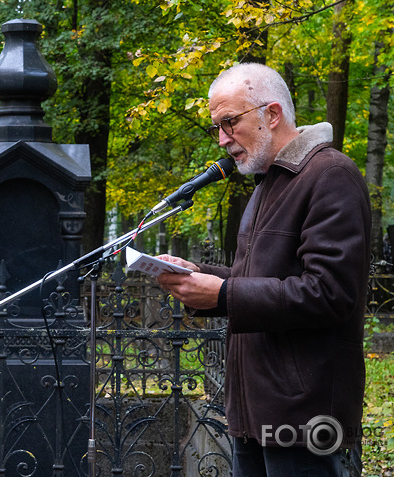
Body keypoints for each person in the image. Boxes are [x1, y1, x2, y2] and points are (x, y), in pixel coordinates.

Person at [156, 63, 370, 476]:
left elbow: (329, 293)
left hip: (303, 414)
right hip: (254, 409)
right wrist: (196, 273)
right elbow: (258, 279)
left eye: (229, 122)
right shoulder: (269, 182)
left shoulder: (330, 175)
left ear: (271, 114)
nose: (222, 139)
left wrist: (220, 294)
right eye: (216, 127)